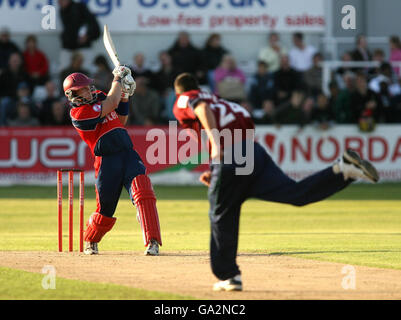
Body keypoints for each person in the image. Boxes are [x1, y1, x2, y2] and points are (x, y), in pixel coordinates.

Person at [172, 72, 379, 292]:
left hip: (233, 157)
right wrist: (218, 170)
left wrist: (219, 155)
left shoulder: (185, 98)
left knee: (221, 214)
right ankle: (343, 171)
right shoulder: (225, 103)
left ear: (179, 90)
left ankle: (229, 275)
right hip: (252, 152)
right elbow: (240, 129)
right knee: (296, 194)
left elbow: (201, 109)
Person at [62, 67, 162, 256]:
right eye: (85, 88)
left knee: (144, 191)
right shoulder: (79, 115)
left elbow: (121, 118)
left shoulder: (100, 96)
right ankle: (91, 240)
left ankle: (153, 242)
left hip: (128, 153)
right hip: (107, 162)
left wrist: (124, 95)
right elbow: (112, 102)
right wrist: (117, 79)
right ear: (73, 94)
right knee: (105, 209)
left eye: (89, 86)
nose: (90, 89)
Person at [58, 0, 100, 71]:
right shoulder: (62, 11)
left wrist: (88, 36)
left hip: (83, 48)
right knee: (64, 71)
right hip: (69, 48)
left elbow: (95, 29)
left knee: (85, 73)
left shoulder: (80, 8)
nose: (59, 2)